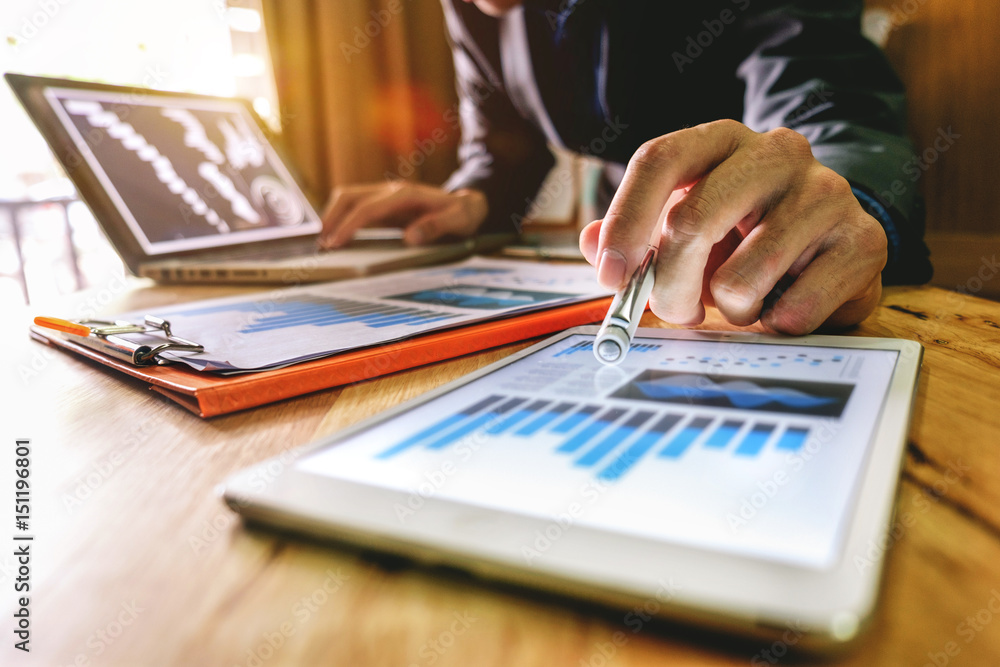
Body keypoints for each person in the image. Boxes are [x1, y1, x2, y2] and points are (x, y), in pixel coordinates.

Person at [319, 0, 933, 335]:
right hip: (638, 254)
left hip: (743, 239)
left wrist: (829, 205)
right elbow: (501, 136)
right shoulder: (475, 7)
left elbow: (826, 97)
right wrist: (474, 195)